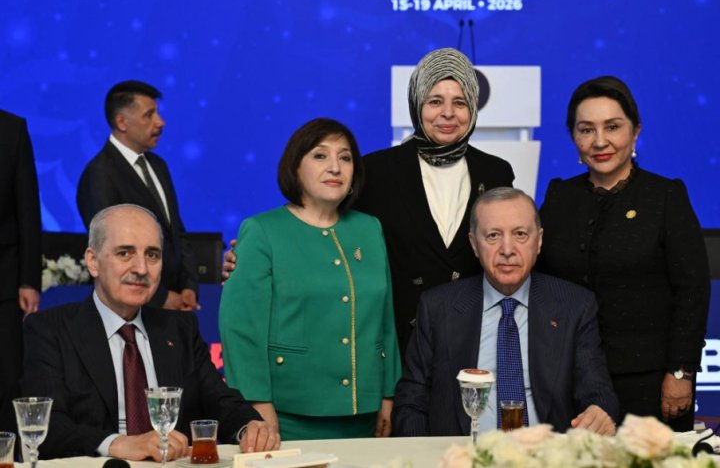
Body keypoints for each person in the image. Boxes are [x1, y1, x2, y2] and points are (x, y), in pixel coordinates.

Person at [223, 48, 515, 355]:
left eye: (460, 102)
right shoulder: (376, 170)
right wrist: (258, 257)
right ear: (416, 103)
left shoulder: (495, 172)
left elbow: (514, 244)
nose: (447, 113)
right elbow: (321, 226)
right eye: (434, 101)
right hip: (398, 343)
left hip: (476, 338)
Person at [21, 204, 279, 461]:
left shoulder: (180, 329)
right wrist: (116, 444)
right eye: (125, 253)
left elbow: (220, 401)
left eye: (152, 255)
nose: (142, 269)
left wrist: (248, 428)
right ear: (93, 261)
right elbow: (46, 426)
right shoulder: (49, 330)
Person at [537, 76, 710, 431]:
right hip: (570, 378)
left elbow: (692, 291)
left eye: (613, 127)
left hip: (649, 381)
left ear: (635, 132)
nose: (600, 141)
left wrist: (680, 372)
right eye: (586, 129)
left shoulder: (665, 197)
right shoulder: (559, 198)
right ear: (573, 137)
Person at [219, 118, 401, 441]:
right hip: (288, 416)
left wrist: (388, 393)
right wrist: (257, 404)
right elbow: (241, 330)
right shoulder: (261, 231)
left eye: (345, 158)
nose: (335, 167)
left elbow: (385, 320)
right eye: (320, 155)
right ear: (295, 167)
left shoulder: (369, 228)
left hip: (365, 411)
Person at [392, 187, 619, 436]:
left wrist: (598, 412)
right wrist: (426, 453)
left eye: (520, 234)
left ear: (539, 240)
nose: (507, 249)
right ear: (474, 244)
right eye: (493, 236)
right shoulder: (438, 306)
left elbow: (597, 392)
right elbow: (411, 401)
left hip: (545, 450)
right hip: (462, 452)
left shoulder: (574, 305)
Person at [77, 80, 198, 310]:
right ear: (122, 122)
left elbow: (176, 232)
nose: (160, 122)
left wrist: (189, 286)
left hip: (176, 306)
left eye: (157, 113)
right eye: (149, 115)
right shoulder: (100, 174)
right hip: (132, 309)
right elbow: (110, 249)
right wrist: (161, 298)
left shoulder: (158, 165)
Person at [0, 110, 41, 438]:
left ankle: (6, 454)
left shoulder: (12, 128)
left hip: (4, 278)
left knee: (7, 377)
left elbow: (27, 207)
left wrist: (29, 280)